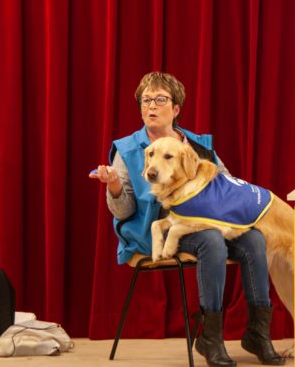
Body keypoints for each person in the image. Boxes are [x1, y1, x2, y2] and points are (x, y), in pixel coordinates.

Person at [91, 72, 284, 367]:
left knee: (254, 239)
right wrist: (115, 186)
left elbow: (227, 185)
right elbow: (124, 212)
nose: (151, 106)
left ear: (176, 108)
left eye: (159, 99)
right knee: (211, 243)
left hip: (207, 221)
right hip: (158, 231)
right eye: (145, 100)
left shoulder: (197, 146)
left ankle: (258, 333)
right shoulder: (128, 149)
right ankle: (210, 338)